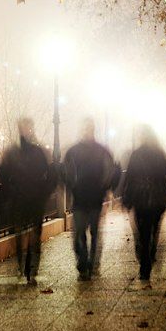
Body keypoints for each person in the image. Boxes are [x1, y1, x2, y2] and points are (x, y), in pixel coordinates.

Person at [0, 118, 56, 285]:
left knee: (32, 235)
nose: (26, 130)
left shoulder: (29, 152)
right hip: (23, 200)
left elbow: (50, 175)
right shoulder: (23, 152)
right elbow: (2, 173)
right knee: (24, 235)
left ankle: (29, 268)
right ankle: (24, 265)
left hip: (31, 200)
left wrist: (42, 193)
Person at [63, 118, 116, 280]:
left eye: (89, 128)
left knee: (94, 233)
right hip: (80, 199)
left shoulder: (101, 150)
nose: (87, 131)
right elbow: (66, 172)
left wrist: (104, 188)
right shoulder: (74, 151)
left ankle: (91, 263)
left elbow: (110, 172)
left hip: (94, 199)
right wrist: (73, 185)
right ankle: (84, 262)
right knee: (80, 232)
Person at [121, 125, 166, 283]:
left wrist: (126, 198)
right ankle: (149, 254)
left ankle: (145, 265)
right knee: (153, 229)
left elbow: (129, 177)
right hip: (157, 198)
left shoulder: (136, 154)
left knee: (143, 232)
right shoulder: (159, 153)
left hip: (141, 198)